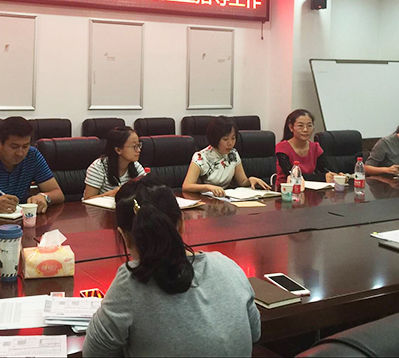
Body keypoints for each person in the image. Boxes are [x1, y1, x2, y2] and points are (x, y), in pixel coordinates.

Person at [83, 175, 261, 357]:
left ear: (124, 236)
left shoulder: (130, 282)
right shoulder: (227, 265)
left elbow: (93, 353)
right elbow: (255, 333)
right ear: (181, 223)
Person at [182, 116, 270, 197]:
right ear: (215, 138)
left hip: (226, 199)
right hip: (206, 200)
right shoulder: (200, 157)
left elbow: (242, 182)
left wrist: (250, 180)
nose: (230, 143)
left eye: (233, 138)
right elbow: (186, 186)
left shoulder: (233, 154)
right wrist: (209, 187)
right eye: (225, 139)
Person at [275, 109, 336, 185]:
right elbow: (293, 176)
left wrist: (335, 175)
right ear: (291, 127)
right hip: (286, 189)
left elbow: (327, 169)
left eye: (309, 125)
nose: (305, 129)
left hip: (310, 188)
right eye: (300, 126)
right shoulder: (282, 147)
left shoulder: (315, 147)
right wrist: (323, 177)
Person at [84, 127, 146, 199]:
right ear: (118, 150)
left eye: (139, 145)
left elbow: (145, 189)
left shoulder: (135, 165)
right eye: (134, 146)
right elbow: (87, 200)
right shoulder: (98, 167)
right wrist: (112, 194)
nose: (138, 150)